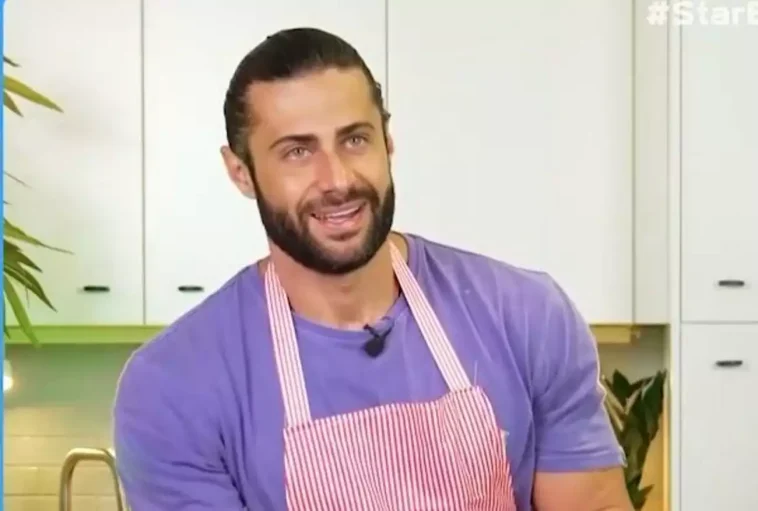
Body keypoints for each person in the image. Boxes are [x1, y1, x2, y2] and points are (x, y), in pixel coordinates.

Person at [112, 27, 632, 510]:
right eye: (297, 151)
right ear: (240, 172)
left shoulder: (525, 316)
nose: (337, 180)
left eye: (355, 139)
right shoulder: (173, 387)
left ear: (388, 141)